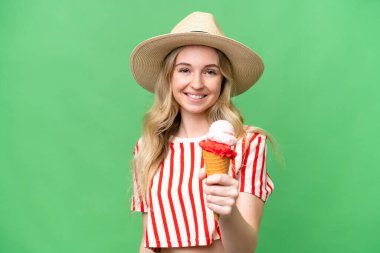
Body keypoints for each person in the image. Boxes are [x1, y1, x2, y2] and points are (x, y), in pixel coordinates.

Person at [130, 12, 275, 253]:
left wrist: (227, 212)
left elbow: (245, 249)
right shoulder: (148, 146)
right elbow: (148, 242)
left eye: (210, 71)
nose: (197, 83)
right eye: (184, 70)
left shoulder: (248, 143)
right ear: (169, 77)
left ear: (223, 81)